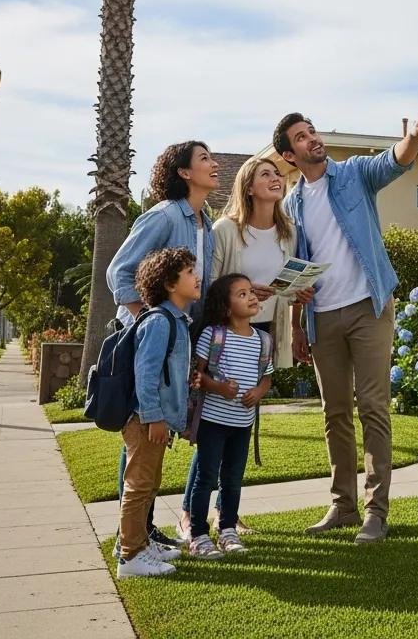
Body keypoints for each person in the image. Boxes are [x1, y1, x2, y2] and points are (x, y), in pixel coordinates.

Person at [276, 107, 418, 544]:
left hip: (368, 305)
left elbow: (393, 160)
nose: (312, 139)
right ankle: (342, 505)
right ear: (289, 155)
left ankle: (376, 511)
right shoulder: (290, 204)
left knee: (372, 406)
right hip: (321, 316)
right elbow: (297, 267)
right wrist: (296, 324)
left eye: (312, 131)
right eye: (301, 136)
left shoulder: (353, 175)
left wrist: (416, 138)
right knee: (334, 413)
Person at [176, 155, 312, 540]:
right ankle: (189, 513)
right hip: (224, 335)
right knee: (213, 423)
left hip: (265, 330)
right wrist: (248, 291)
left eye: (277, 175)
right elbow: (211, 286)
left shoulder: (289, 232)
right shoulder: (226, 229)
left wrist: (297, 312)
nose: (275, 179)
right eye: (265, 174)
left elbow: (291, 284)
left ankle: (226, 514)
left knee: (241, 416)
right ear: (248, 186)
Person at [107, 140, 218, 553]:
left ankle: (141, 533)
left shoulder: (204, 220)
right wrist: (151, 322)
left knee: (155, 442)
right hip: (154, 338)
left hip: (179, 338)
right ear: (184, 173)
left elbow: (201, 286)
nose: (213, 164)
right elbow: (119, 271)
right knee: (142, 436)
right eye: (204, 159)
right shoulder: (165, 215)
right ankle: (133, 538)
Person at [116, 247, 197, 579]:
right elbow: (145, 374)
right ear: (169, 283)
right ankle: (130, 556)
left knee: (148, 484)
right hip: (145, 419)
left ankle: (139, 542)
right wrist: (153, 416)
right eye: (189, 272)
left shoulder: (176, 321)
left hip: (155, 418)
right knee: (138, 485)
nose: (197, 277)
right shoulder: (160, 321)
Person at [186, 273, 273, 558]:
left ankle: (227, 530)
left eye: (251, 292)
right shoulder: (214, 335)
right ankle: (198, 535)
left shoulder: (263, 340)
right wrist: (218, 387)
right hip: (213, 421)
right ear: (225, 307)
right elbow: (197, 375)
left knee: (233, 478)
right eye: (242, 294)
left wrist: (258, 392)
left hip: (242, 423)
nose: (251, 297)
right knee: (206, 477)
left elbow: (267, 379)